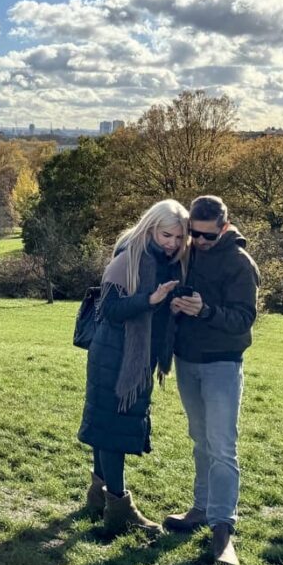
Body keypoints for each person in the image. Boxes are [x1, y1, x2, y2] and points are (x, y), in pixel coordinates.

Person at [78, 199, 189, 537]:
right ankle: (120, 508)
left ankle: (98, 498)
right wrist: (150, 300)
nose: (171, 242)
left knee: (107, 428)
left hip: (137, 359)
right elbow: (110, 310)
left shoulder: (168, 262)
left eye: (178, 237)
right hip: (116, 358)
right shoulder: (129, 258)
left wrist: (176, 305)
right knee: (112, 431)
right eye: (166, 234)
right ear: (151, 227)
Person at [165, 195, 259, 565]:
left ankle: (223, 531)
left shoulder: (239, 263)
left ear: (224, 226)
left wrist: (205, 311)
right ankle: (200, 509)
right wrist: (176, 304)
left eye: (208, 236)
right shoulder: (187, 253)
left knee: (222, 447)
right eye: (195, 234)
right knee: (200, 441)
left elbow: (243, 319)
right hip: (187, 361)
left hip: (222, 363)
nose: (200, 242)